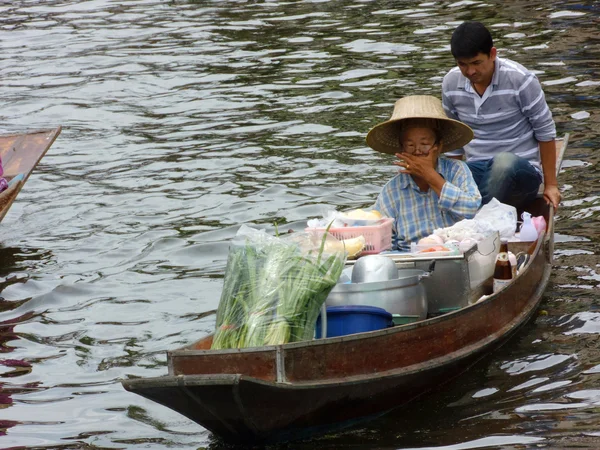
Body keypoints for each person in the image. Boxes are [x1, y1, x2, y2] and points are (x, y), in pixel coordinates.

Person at [442, 21, 560, 210]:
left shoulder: (521, 79)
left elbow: (545, 131)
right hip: (477, 168)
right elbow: (453, 137)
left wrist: (551, 185)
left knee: (504, 164)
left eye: (476, 63)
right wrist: (448, 179)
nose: (470, 71)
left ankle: (476, 214)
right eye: (462, 65)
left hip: (520, 168)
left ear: (493, 54)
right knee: (428, 168)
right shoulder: (450, 82)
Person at [366, 95, 481, 251]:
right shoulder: (392, 190)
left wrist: (430, 176)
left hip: (454, 253)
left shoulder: (457, 170)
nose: (418, 151)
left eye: (425, 144)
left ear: (438, 146)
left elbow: (471, 210)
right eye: (410, 145)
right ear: (401, 150)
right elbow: (383, 242)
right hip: (411, 259)